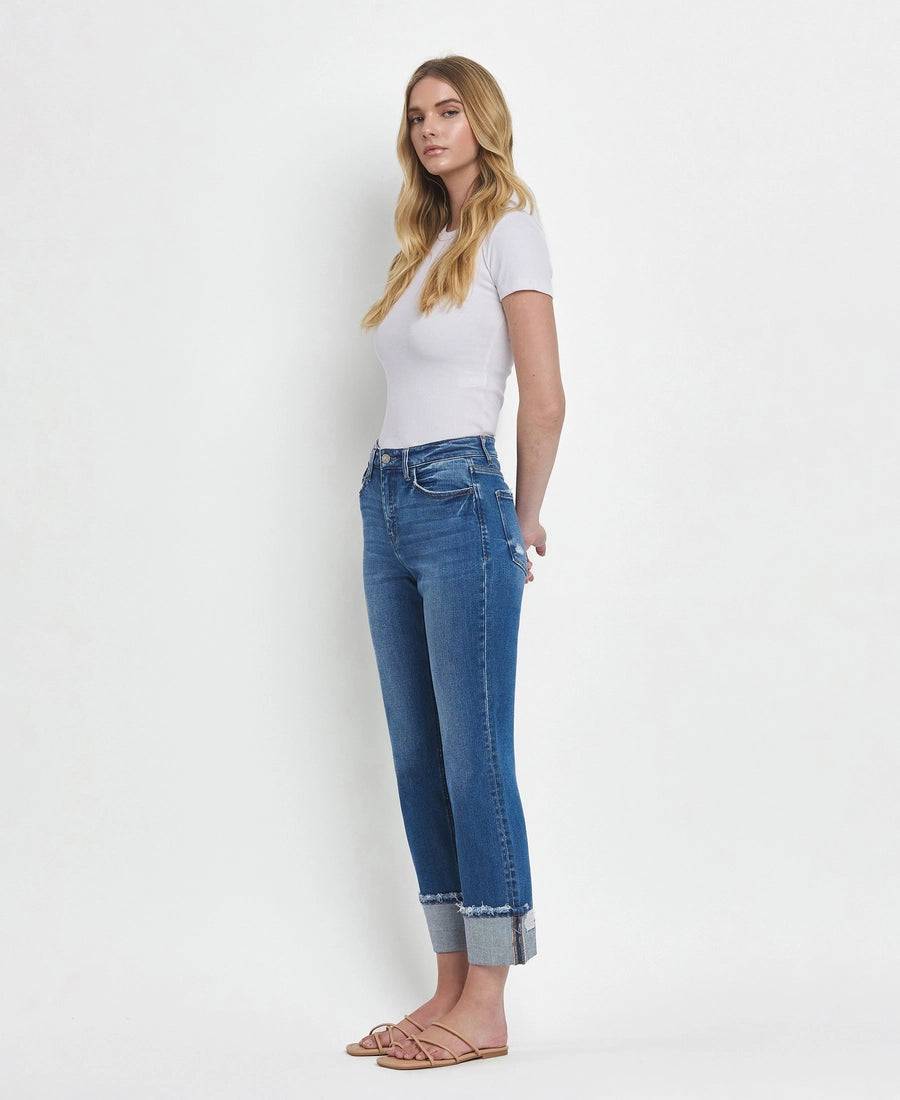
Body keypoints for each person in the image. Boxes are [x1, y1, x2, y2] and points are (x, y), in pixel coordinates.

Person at [349, 55, 565, 1070]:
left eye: (447, 111)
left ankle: (488, 1002)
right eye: (417, 116)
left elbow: (546, 393)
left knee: (476, 752)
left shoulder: (511, 229)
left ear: (481, 120)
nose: (431, 129)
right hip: (386, 502)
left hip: (459, 499)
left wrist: (522, 522)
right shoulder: (427, 239)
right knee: (416, 756)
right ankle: (446, 984)